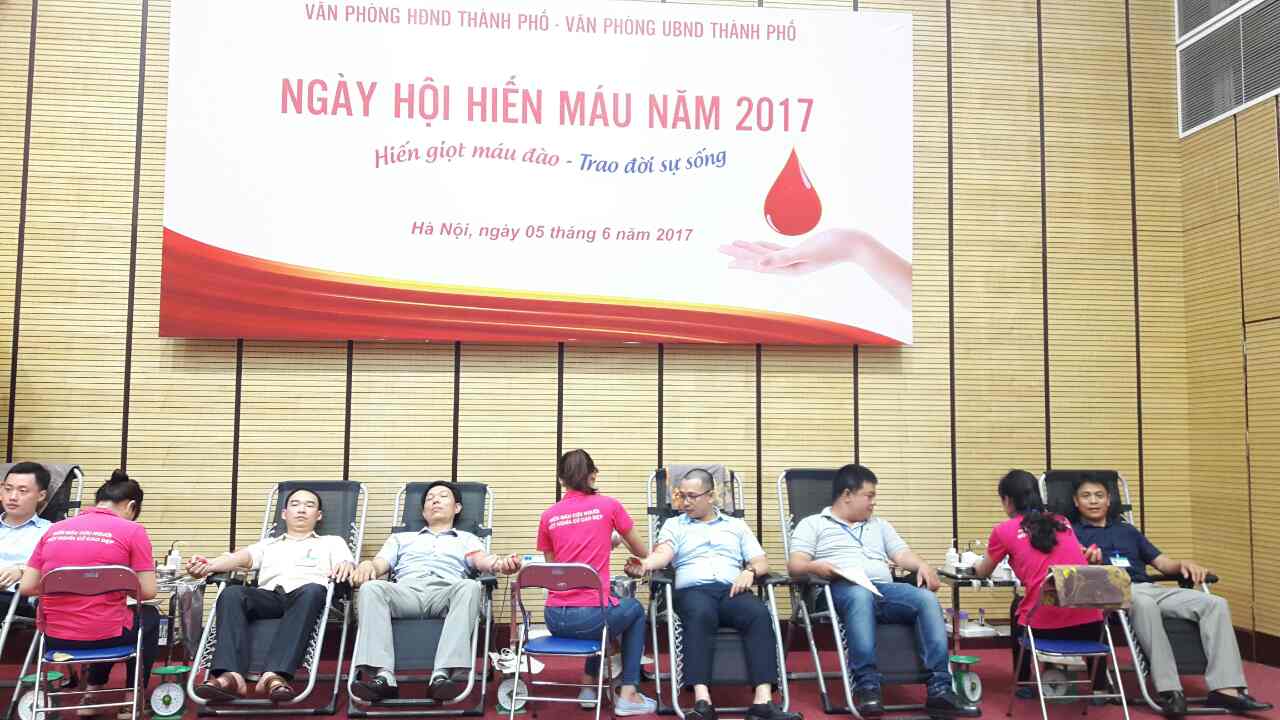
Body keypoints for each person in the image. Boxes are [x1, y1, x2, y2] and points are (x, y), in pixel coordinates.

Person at [787, 464, 978, 718]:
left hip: (883, 590)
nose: (873, 502)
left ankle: (940, 689)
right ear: (847, 495)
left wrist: (922, 565)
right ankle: (866, 686)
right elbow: (795, 565)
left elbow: (902, 554)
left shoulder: (880, 525)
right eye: (869, 495)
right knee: (859, 594)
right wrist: (816, 567)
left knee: (925, 598)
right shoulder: (813, 524)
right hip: (838, 589)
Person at [1070, 476, 1271, 716]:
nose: (1093, 501)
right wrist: (1085, 561)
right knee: (1144, 604)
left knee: (1215, 604)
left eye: (1099, 495)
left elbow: (1163, 564)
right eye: (1086, 496)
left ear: (1109, 500)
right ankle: (1170, 690)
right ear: (1076, 501)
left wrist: (1184, 564)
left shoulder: (1127, 531)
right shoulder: (1072, 534)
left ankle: (1226, 689)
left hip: (1150, 588)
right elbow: (1070, 575)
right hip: (1113, 592)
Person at [626, 468, 800, 720]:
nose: (685, 502)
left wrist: (750, 571)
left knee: (758, 613)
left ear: (711, 496)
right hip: (693, 592)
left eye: (692, 496)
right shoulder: (674, 525)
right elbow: (663, 554)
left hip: (732, 590)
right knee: (700, 614)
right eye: (681, 495)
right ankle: (703, 701)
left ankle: (762, 703)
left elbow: (761, 561)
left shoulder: (736, 526)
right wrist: (644, 564)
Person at [348, 481, 522, 703]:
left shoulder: (467, 539)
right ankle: (383, 677)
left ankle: (441, 676)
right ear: (423, 512)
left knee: (470, 586)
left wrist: (503, 564)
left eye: (443, 496)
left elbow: (483, 561)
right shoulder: (401, 539)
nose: (435, 500)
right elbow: (379, 564)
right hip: (406, 592)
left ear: (457, 508)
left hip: (446, 593)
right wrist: (367, 565)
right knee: (371, 588)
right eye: (430, 498)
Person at [188, 487, 356, 703]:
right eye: (295, 504)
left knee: (313, 590)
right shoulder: (269, 544)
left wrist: (346, 565)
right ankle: (230, 675)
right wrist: (208, 565)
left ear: (319, 515)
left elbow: (347, 563)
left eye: (309, 505)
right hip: (269, 597)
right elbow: (238, 558)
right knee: (232, 593)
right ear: (284, 513)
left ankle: (274, 675)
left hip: (308, 598)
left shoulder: (332, 542)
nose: (301, 509)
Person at [19, 469, 159, 714]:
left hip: (55, 638)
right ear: (131, 506)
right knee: (148, 616)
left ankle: (91, 695)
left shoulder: (54, 529)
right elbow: (147, 592)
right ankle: (132, 698)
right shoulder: (133, 531)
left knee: (109, 615)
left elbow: (27, 587)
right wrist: (114, 585)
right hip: (108, 634)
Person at [537, 449, 656, 716]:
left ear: (561, 480)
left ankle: (588, 686)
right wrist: (616, 537)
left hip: (554, 618)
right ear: (593, 475)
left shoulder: (548, 515)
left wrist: (601, 542)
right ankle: (629, 693)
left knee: (604, 609)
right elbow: (642, 552)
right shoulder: (609, 506)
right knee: (632, 610)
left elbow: (555, 570)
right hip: (591, 618)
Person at [970, 470, 1106, 698]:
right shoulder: (1062, 522)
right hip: (1089, 627)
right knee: (1083, 607)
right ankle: (1100, 688)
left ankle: (1023, 682)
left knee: (1018, 605)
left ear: (1007, 500)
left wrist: (974, 564)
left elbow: (984, 571)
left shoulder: (1004, 531)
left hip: (1043, 628)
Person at [0, 463, 53, 618]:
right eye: (8, 489)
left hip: (16, 599)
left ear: (41, 496)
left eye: (22, 491)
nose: (13, 497)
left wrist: (23, 571)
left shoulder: (51, 532)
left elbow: (56, 572)